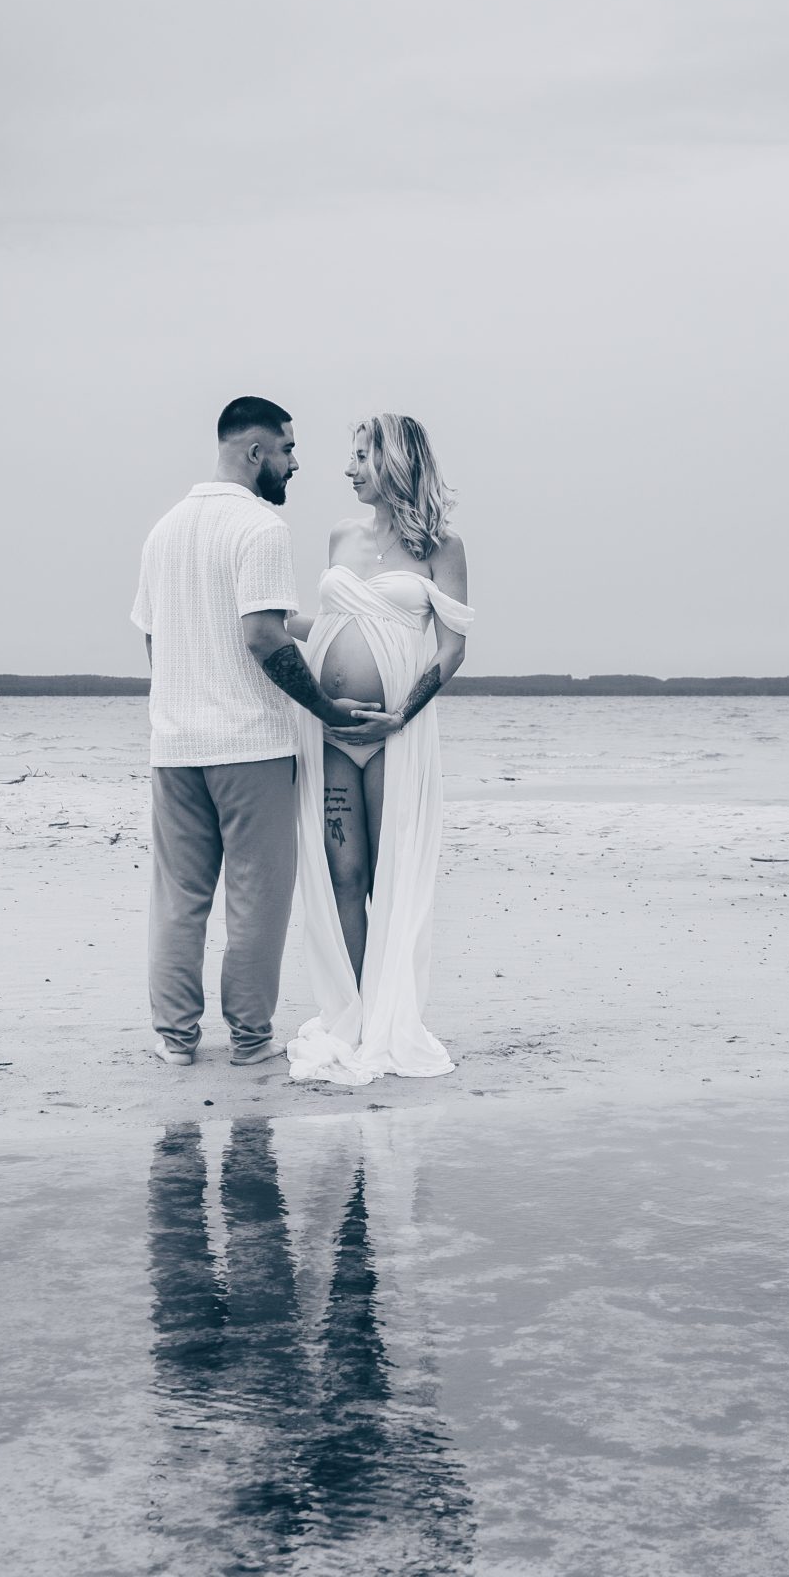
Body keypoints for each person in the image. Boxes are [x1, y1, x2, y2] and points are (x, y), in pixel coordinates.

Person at [131, 396, 373, 1067]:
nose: (295, 464)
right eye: (288, 450)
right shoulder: (259, 530)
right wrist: (327, 710)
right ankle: (248, 1039)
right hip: (250, 747)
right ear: (254, 451)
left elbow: (157, 641)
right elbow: (263, 636)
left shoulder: (164, 530)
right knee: (256, 900)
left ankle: (175, 1039)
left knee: (179, 900)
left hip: (174, 748)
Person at [284, 414, 473, 1087]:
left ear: (393, 461)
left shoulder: (440, 548)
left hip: (394, 734)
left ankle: (391, 1015)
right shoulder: (340, 535)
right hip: (330, 731)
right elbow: (332, 623)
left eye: (360, 456)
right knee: (344, 874)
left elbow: (451, 650)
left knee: (389, 878)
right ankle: (357, 1013)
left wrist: (397, 716)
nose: (348, 468)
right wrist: (274, 622)